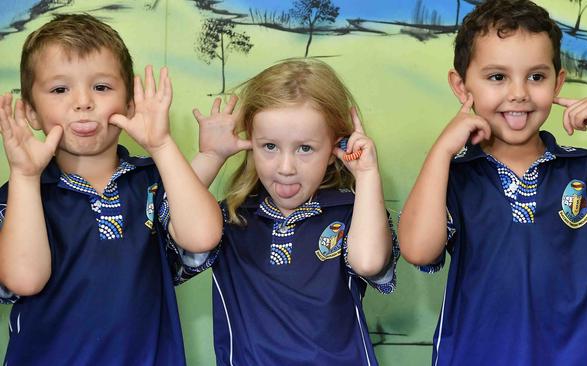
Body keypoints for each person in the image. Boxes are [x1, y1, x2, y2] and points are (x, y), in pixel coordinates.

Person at [398, 0, 587, 364]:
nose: (519, 93)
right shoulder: (452, 178)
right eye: (497, 77)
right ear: (461, 85)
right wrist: (441, 152)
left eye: (536, 76)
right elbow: (419, 250)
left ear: (558, 81)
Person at [0, 14, 221, 365]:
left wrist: (161, 145)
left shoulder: (154, 181)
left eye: (101, 87)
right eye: (60, 89)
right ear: (30, 112)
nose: (83, 102)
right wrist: (26, 177)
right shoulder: (20, 196)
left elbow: (201, 237)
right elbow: (24, 280)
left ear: (130, 103)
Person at [188, 58, 399, 365]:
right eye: (270, 146)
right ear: (250, 142)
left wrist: (367, 174)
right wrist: (209, 157)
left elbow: (367, 262)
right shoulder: (228, 218)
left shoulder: (352, 213)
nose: (286, 168)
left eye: (305, 148)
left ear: (333, 148)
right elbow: (165, 223)